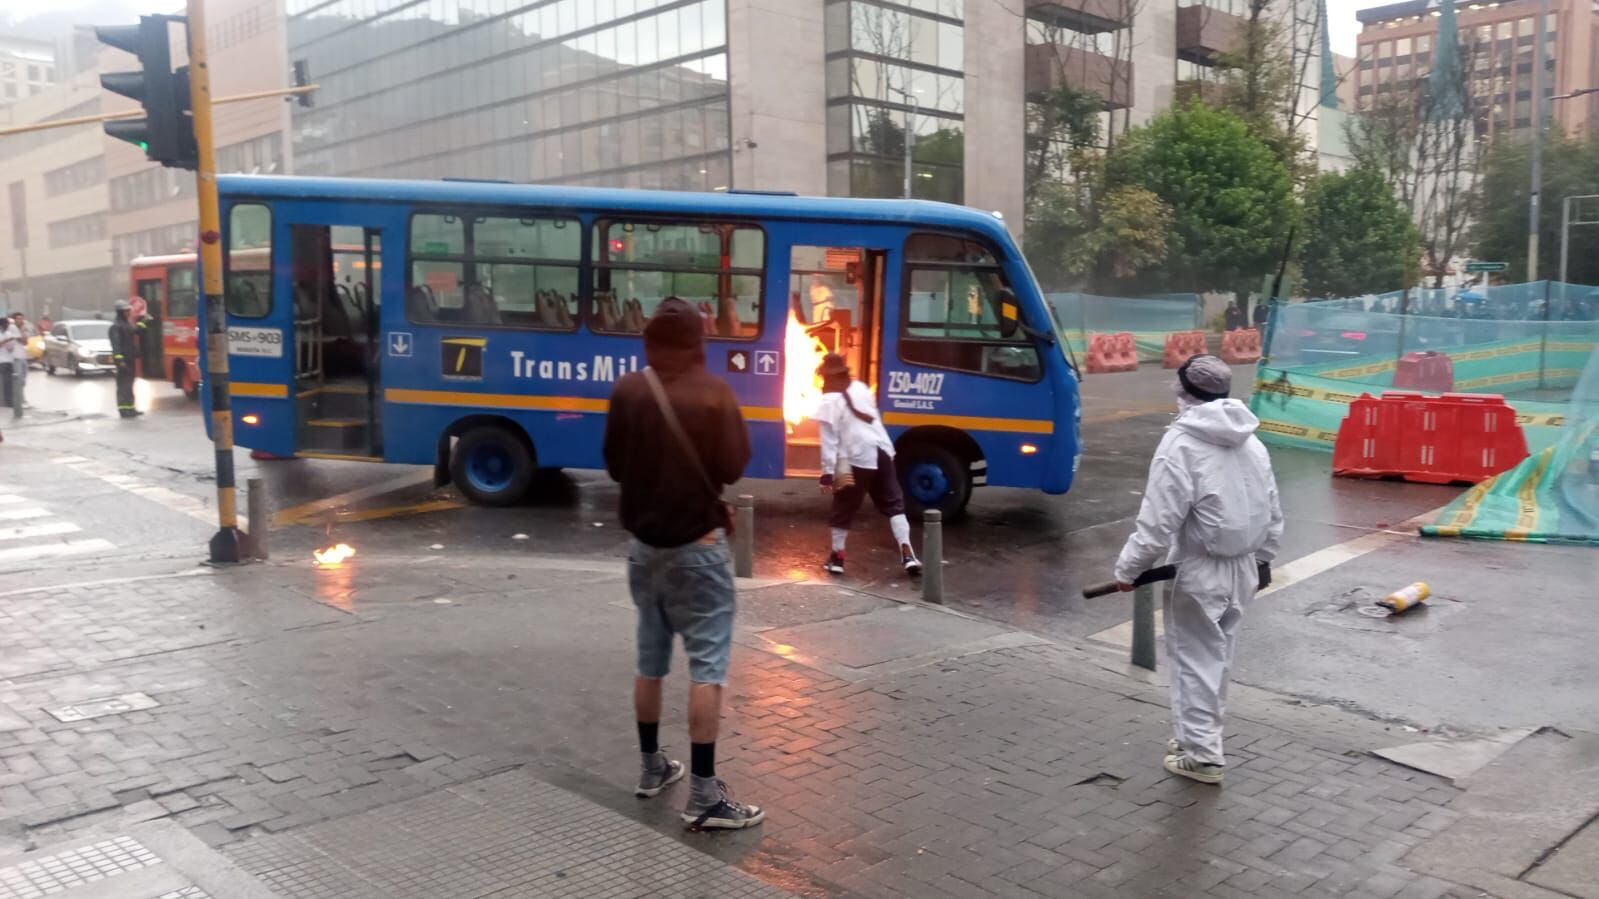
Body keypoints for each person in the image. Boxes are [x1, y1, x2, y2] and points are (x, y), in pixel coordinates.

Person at [603, 296, 762, 831]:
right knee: (707, 670)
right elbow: (734, 467)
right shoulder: (715, 393)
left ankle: (652, 769)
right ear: (699, 343)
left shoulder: (628, 390)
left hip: (644, 552)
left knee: (649, 661)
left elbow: (615, 466)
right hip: (699, 550)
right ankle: (704, 796)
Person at [1112, 354, 1283, 786]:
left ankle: (1203, 755)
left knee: (1194, 661)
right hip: (1243, 568)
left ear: (1183, 393)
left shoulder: (1180, 445)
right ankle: (1197, 738)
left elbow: (1156, 524)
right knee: (1217, 658)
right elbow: (1272, 509)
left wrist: (1128, 569)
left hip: (1201, 571)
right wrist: (1264, 559)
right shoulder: (1252, 442)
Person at [815, 353, 921, 577]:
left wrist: (826, 474)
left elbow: (829, 442)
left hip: (851, 459)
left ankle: (837, 558)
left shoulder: (827, 403)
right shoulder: (862, 389)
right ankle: (908, 552)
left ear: (826, 377)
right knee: (894, 504)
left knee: (843, 507)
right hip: (881, 452)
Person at [109, 300, 142, 419]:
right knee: (123, 386)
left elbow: (135, 331)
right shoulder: (116, 326)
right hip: (123, 362)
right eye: (126, 311)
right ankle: (123, 410)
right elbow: (116, 345)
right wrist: (120, 360)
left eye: (129, 310)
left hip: (130, 359)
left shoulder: (126, 324)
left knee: (129, 385)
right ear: (120, 312)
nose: (128, 312)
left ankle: (131, 408)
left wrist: (143, 322)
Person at [0, 312, 20, 416]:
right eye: (5, 324)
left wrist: (9, 345)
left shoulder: (9, 334)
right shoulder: (4, 335)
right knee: (5, 382)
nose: (7, 326)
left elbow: (11, 348)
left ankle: (10, 401)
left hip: (9, 360)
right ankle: (7, 401)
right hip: (1, 361)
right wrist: (6, 341)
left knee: (9, 382)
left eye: (7, 324)